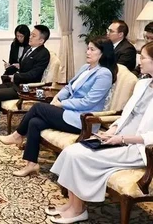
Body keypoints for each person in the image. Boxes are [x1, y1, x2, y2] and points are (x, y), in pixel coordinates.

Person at [44, 41, 153, 224]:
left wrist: (122, 138)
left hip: (140, 148)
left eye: (143, 58)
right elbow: (126, 114)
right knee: (72, 150)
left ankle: (78, 210)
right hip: (118, 137)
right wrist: (112, 129)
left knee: (79, 156)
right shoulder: (143, 84)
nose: (139, 62)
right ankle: (73, 205)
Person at [0, 36, 117, 178]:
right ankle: (31, 164)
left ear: (103, 53)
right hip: (69, 112)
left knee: (38, 108)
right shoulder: (86, 68)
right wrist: (58, 97)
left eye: (92, 49)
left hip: (82, 120)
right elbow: (69, 86)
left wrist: (62, 103)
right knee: (35, 122)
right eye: (87, 49)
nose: (88, 52)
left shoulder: (104, 74)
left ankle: (17, 136)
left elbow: (88, 102)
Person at [0, 25, 51, 136]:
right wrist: (16, 66)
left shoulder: (43, 54)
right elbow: (24, 66)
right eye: (30, 34)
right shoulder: (29, 49)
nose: (29, 37)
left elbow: (34, 74)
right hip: (15, 83)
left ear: (41, 40)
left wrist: (15, 76)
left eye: (33, 35)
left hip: (25, 88)